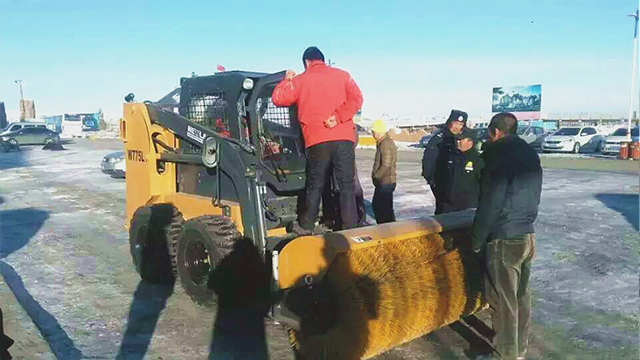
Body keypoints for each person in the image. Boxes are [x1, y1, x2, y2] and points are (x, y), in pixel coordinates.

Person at [471, 112, 542, 360]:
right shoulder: (529, 154)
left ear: (495, 131)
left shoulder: (498, 155)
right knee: (521, 296)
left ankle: (504, 353)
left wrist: (478, 239)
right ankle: (518, 349)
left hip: (504, 236)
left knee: (502, 300)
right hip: (526, 234)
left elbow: (492, 199)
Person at [272, 46, 363, 235]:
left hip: (316, 140)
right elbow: (357, 98)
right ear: (322, 59)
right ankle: (350, 227)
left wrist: (286, 80)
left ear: (306, 62)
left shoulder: (300, 80)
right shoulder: (343, 75)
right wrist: (338, 116)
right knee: (346, 184)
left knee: (315, 183)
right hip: (344, 138)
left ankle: (306, 225)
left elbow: (278, 98)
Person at [421, 109, 468, 214]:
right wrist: (433, 181)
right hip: (441, 183)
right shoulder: (439, 139)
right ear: (449, 122)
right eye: (455, 123)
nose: (457, 127)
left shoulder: (463, 139)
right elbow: (428, 162)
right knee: (443, 212)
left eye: (460, 124)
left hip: (458, 186)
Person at [432, 127, 484, 214]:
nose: (457, 142)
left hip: (468, 207)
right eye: (456, 139)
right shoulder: (450, 157)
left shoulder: (478, 160)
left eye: (460, 140)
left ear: (470, 141)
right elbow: (440, 178)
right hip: (447, 206)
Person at [370, 119, 397, 224]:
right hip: (385, 181)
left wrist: (376, 176)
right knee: (381, 208)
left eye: (373, 132)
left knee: (382, 210)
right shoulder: (383, 142)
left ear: (379, 131)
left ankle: (387, 231)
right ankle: (386, 229)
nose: (372, 134)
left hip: (385, 182)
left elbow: (386, 164)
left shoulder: (385, 143)